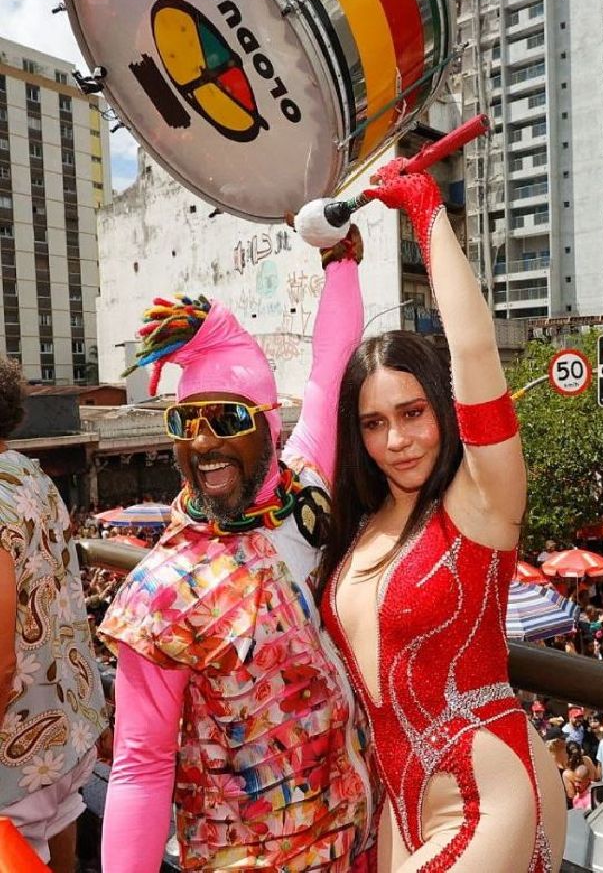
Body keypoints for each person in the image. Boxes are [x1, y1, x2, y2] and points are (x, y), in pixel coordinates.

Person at [98, 234, 373, 871]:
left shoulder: (305, 487)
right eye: (184, 422)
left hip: (360, 842)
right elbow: (140, 767)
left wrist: (340, 261)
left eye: (226, 419)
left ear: (269, 425)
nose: (202, 443)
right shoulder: (163, 590)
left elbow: (330, 372)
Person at [316, 170, 565, 871]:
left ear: (440, 409)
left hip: (491, 796)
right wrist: (339, 271)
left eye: (412, 413)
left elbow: (477, 352)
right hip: (399, 802)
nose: (396, 440)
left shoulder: (480, 501)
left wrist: (429, 215)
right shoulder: (360, 525)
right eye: (373, 424)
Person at [0, 357, 108, 872]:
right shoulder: (27, 472)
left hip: (15, 756)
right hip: (67, 726)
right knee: (62, 820)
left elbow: (0, 663)